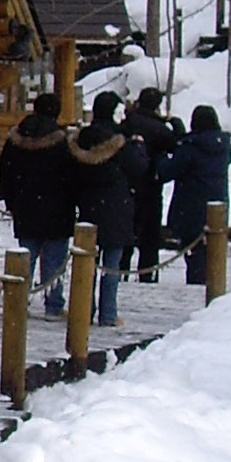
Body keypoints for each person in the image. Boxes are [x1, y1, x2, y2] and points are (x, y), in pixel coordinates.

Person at [69, 89, 148, 327]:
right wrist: (138, 146)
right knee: (111, 264)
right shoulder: (119, 141)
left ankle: (84, 310)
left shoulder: (81, 139)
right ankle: (108, 313)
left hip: (88, 204)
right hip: (115, 206)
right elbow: (138, 168)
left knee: (87, 263)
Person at [0, 91, 78, 311]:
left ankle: (18, 301)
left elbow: (5, 171)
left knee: (26, 255)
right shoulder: (62, 142)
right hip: (57, 207)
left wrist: (10, 201)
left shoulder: (16, 139)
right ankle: (53, 303)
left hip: (25, 204)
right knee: (54, 260)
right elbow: (72, 176)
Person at [161, 101, 231, 282]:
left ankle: (197, 287)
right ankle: (212, 286)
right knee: (211, 255)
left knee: (194, 258)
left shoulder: (190, 148)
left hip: (191, 209)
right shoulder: (223, 146)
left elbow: (168, 171)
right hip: (217, 206)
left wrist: (160, 159)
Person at [125, 86, 182, 281]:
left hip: (127, 185)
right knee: (149, 235)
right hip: (150, 185)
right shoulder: (160, 129)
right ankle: (147, 273)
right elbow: (177, 145)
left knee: (127, 231)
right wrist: (175, 123)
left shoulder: (129, 122)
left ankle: (121, 270)